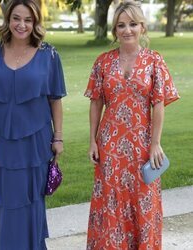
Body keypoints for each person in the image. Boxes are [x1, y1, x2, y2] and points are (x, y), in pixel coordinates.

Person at [84, 1, 180, 249]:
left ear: (143, 27)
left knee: (143, 201)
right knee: (111, 204)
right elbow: (96, 102)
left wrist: (156, 143)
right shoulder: (102, 62)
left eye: (133, 24)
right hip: (110, 148)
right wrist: (92, 140)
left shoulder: (154, 61)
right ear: (115, 30)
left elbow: (159, 103)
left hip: (142, 148)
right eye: (121, 25)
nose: (127, 30)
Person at [0, 0, 66, 249]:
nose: (21, 25)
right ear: (7, 19)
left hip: (35, 143)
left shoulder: (49, 54)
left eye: (28, 19)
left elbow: (55, 101)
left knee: (31, 200)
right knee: (7, 201)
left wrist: (58, 138)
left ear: (35, 22)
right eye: (16, 18)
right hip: (0, 141)